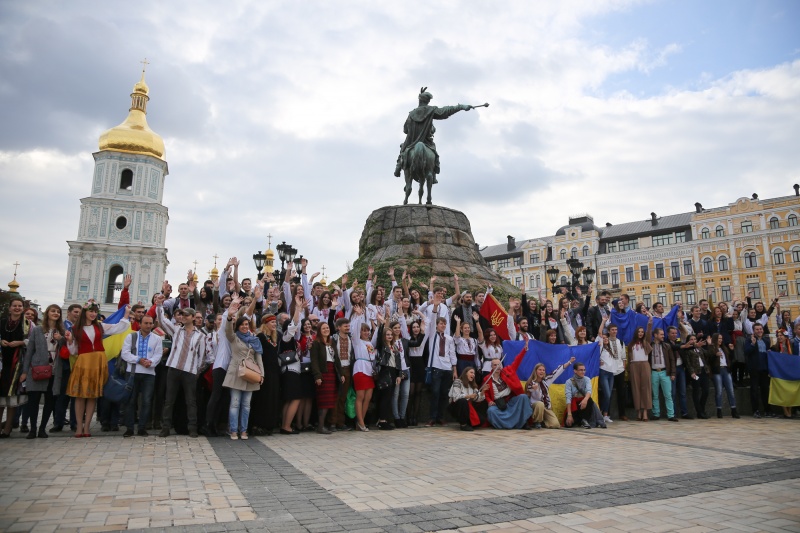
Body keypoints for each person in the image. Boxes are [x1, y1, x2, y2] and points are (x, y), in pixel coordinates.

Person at [64, 300, 130, 437]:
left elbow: (118, 328)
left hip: (98, 361)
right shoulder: (76, 329)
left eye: (95, 312)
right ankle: (78, 427)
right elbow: (74, 350)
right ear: (85, 312)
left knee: (93, 395)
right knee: (80, 395)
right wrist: (69, 341)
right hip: (84, 361)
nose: (93, 314)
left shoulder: (100, 326)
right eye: (91, 311)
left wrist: (126, 314)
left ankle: (87, 427)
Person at [155, 298, 209, 438]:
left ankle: (192, 428)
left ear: (192, 317)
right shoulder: (177, 330)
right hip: (173, 368)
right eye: (182, 315)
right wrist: (159, 305)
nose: (183, 317)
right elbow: (162, 321)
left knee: (191, 401)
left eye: (186, 315)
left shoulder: (200, 336)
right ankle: (165, 427)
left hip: (189, 371)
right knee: (169, 400)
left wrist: (196, 371)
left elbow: (202, 356)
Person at [223, 300, 264, 440]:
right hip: (236, 372)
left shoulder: (254, 339)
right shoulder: (234, 338)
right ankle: (233, 430)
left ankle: (244, 430)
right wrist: (229, 317)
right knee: (235, 403)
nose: (245, 327)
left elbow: (259, 358)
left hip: (251, 373)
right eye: (242, 325)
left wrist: (262, 374)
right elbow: (228, 330)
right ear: (238, 326)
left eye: (247, 324)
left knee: (246, 405)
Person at [21, 305, 62, 439]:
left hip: (54, 370)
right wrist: (25, 371)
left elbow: (67, 349)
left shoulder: (62, 330)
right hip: (37, 369)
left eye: (58, 312)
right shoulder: (38, 330)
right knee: (34, 400)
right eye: (53, 311)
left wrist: (60, 340)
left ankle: (42, 428)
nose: (55, 313)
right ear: (47, 313)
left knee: (50, 400)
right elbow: (30, 351)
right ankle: (33, 428)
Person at [120, 314, 163, 437]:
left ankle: (142, 427)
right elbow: (125, 353)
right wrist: (139, 360)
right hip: (132, 373)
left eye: (150, 323)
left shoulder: (157, 338)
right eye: (146, 323)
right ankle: (129, 428)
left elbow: (158, 355)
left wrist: (150, 362)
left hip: (149, 374)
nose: (149, 325)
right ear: (140, 324)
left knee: (147, 401)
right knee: (130, 401)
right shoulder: (131, 336)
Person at [483, 341, 532, 430]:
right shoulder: (487, 379)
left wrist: (524, 350)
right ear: (491, 366)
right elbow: (486, 393)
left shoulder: (508, 371)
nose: (497, 367)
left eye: (499, 364)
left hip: (511, 400)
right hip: (499, 404)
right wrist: (489, 401)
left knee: (523, 397)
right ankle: (502, 425)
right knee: (491, 411)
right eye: (495, 365)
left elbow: (517, 361)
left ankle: (523, 422)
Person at [311, 321, 343, 434]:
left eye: (327, 328)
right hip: (323, 373)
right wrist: (317, 376)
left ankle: (324, 424)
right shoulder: (316, 343)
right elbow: (314, 361)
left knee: (330, 400)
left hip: (332, 373)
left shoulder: (331, 342)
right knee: (323, 401)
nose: (326, 330)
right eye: (323, 328)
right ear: (319, 330)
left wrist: (341, 373)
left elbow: (337, 359)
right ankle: (320, 426)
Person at [425, 314, 457, 427]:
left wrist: (454, 370)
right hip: (436, 367)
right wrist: (435, 306)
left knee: (444, 394)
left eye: (444, 324)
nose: (443, 325)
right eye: (441, 323)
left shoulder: (449, 338)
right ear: (437, 325)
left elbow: (452, 354)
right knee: (435, 393)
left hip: (447, 368)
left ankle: (441, 417)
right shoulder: (433, 336)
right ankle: (432, 417)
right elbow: (432, 322)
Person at [525, 356, 575, 429]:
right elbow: (529, 389)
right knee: (540, 404)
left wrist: (569, 362)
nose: (542, 371)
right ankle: (537, 422)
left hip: (546, 407)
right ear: (535, 371)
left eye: (543, 370)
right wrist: (533, 388)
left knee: (555, 425)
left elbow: (558, 371)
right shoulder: (531, 382)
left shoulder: (546, 380)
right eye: (540, 370)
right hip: (535, 407)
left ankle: (543, 422)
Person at [351, 322, 379, 431]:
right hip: (360, 369)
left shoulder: (370, 344)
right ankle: (361, 422)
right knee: (360, 397)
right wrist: (358, 317)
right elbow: (355, 329)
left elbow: (376, 334)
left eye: (368, 330)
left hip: (370, 370)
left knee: (368, 398)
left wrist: (382, 322)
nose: (366, 333)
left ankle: (360, 422)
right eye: (364, 331)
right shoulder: (357, 342)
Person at [706, 332, 739, 419]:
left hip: (726, 370)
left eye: (721, 338)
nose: (720, 340)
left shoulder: (724, 348)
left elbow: (731, 359)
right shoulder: (712, 348)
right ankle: (719, 410)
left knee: (730, 391)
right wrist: (714, 353)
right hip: (717, 370)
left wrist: (731, 351)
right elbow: (708, 359)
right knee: (719, 391)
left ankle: (734, 409)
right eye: (718, 338)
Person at [626, 316, 653, 422]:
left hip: (644, 365)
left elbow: (649, 333)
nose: (641, 333)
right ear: (636, 333)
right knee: (636, 388)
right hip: (634, 366)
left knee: (645, 388)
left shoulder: (646, 343)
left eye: (642, 332)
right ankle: (638, 411)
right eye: (639, 332)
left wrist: (649, 323)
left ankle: (645, 412)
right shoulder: (631, 344)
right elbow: (629, 357)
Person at [565, 362, 606, 429]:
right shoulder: (569, 382)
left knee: (589, 400)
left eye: (584, 370)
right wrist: (569, 415)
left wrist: (585, 400)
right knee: (569, 424)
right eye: (581, 370)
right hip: (574, 405)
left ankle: (585, 419)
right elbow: (568, 398)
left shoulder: (587, 379)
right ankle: (580, 421)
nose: (583, 372)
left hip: (585, 405)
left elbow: (589, 391)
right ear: (575, 371)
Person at [330, 318, 354, 431]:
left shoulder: (351, 338)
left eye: (348, 326)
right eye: (345, 326)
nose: (347, 328)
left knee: (343, 397)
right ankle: (332, 422)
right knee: (336, 396)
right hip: (337, 368)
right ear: (338, 327)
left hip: (348, 368)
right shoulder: (334, 339)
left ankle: (341, 422)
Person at [598, 325, 626, 422]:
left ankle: (606, 414)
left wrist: (623, 367)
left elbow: (622, 357)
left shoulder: (616, 344)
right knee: (607, 394)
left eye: (616, 329)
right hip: (604, 372)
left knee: (614, 394)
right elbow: (600, 333)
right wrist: (603, 322)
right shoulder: (601, 346)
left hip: (615, 372)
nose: (614, 331)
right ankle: (602, 412)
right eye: (612, 330)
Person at [649, 328, 678, 422]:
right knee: (655, 394)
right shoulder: (650, 345)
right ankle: (656, 413)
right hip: (653, 372)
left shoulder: (666, 346)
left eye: (663, 334)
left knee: (668, 394)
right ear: (655, 335)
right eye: (661, 334)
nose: (663, 336)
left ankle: (671, 414)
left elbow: (672, 360)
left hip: (665, 372)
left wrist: (673, 373)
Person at [744, 323, 771, 418]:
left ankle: (767, 410)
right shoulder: (749, 340)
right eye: (757, 329)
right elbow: (746, 352)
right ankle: (755, 410)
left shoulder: (766, 341)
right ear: (753, 331)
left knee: (765, 390)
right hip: (754, 369)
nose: (759, 331)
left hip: (764, 369)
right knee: (754, 390)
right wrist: (752, 344)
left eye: (760, 329)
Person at [447, 367, 485, 431]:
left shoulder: (473, 385)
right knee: (463, 401)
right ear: (465, 373)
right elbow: (456, 397)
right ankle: (463, 425)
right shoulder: (458, 382)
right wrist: (468, 396)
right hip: (455, 406)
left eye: (474, 373)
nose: (473, 375)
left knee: (481, 421)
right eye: (471, 372)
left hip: (467, 408)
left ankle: (467, 422)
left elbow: (477, 399)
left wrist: (483, 392)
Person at [682, 334, 710, 419]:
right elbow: (688, 363)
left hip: (703, 371)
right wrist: (691, 372)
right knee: (696, 391)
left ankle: (701, 409)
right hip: (695, 373)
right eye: (691, 339)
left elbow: (708, 354)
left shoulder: (699, 348)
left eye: (695, 339)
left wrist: (709, 345)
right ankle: (700, 412)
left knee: (706, 391)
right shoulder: (687, 350)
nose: (693, 340)